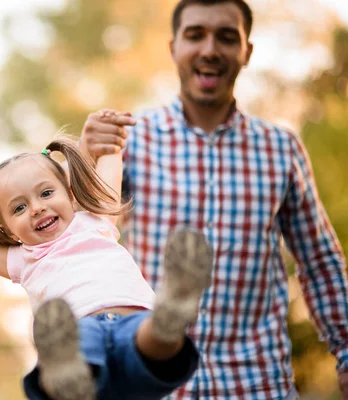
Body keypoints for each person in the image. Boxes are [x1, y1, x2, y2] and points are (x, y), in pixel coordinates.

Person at [79, 0, 348, 399]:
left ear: (247, 52)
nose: (209, 49)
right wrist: (85, 157)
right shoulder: (130, 140)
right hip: (154, 385)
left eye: (226, 37)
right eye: (195, 35)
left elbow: (321, 262)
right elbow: (86, 236)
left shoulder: (281, 148)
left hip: (258, 385)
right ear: (173, 48)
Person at [0, 135, 213, 399]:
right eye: (19, 208)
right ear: (8, 230)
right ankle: (70, 376)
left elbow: (108, 174)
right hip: (77, 329)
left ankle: (170, 316)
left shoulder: (96, 220)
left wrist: (113, 144)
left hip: (135, 322)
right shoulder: (21, 259)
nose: (37, 208)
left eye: (46, 193)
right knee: (76, 344)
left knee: (153, 340)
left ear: (70, 194)